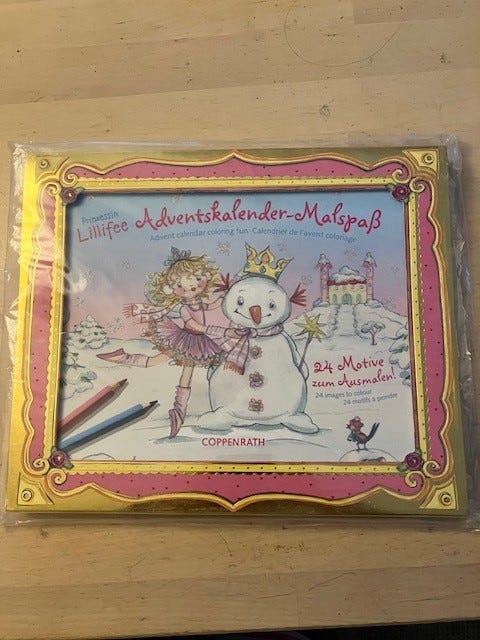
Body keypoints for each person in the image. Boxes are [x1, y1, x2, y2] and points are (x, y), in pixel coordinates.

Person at [97, 247, 226, 438]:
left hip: (195, 341)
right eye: (183, 285)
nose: (192, 287)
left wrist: (223, 299)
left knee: (181, 370)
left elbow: (210, 305)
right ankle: (178, 410)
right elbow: (192, 324)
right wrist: (209, 330)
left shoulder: (197, 302)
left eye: (196, 280)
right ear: (174, 289)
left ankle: (178, 410)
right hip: (186, 339)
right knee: (162, 364)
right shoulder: (183, 308)